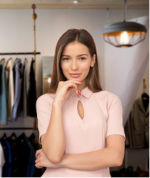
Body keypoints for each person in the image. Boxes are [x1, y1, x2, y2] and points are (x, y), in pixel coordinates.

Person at [35, 29, 125, 178]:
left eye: (81, 58)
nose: (74, 66)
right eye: (66, 59)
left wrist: (60, 162)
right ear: (59, 62)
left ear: (93, 60)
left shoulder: (110, 100)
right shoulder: (46, 102)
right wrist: (57, 103)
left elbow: (115, 156)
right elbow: (54, 154)